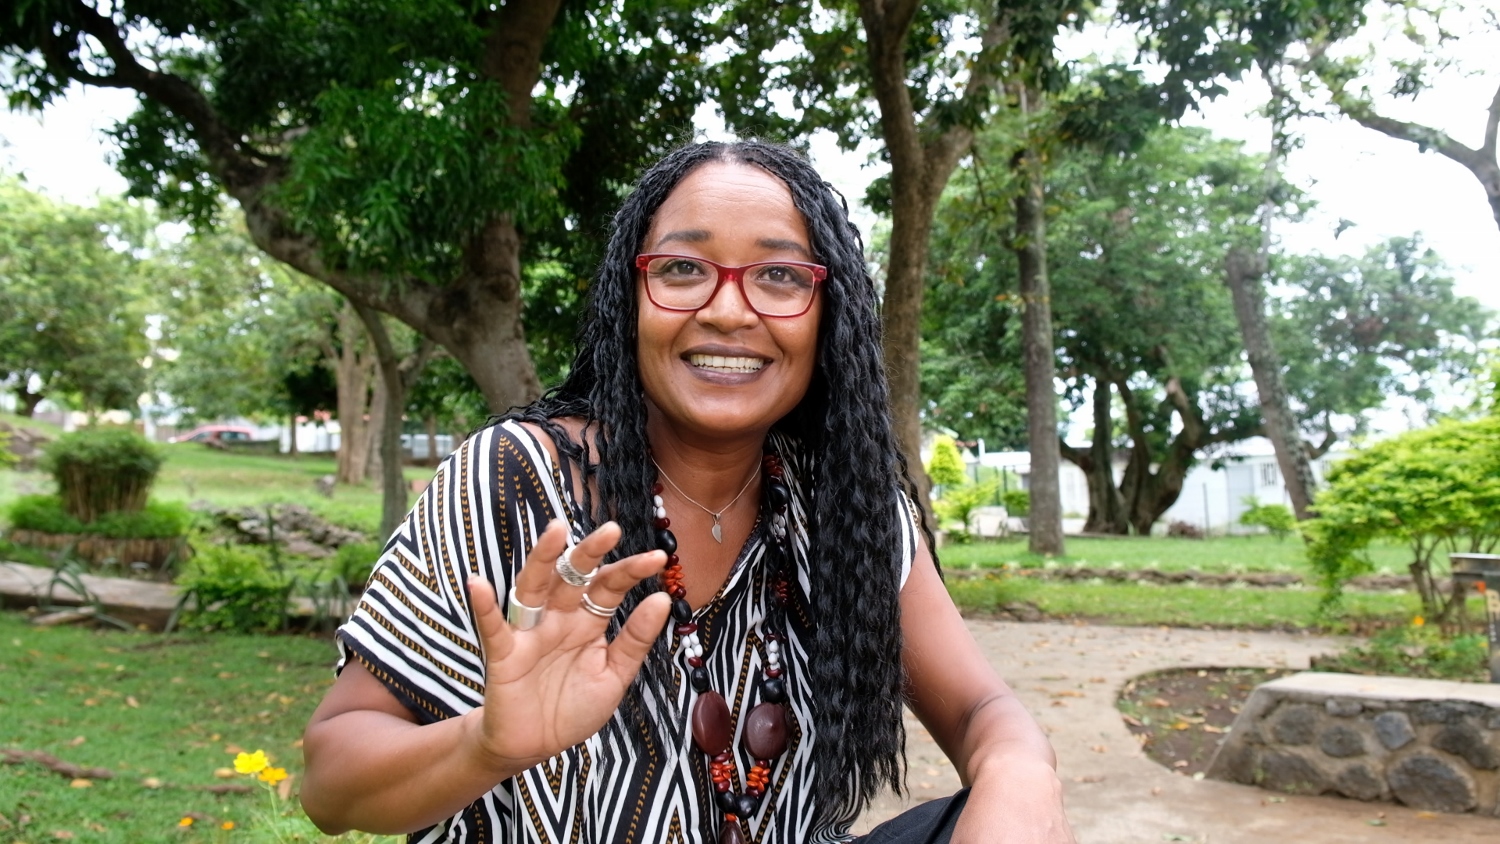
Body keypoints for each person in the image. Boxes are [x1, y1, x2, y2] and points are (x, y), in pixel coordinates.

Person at [300, 140, 1074, 844]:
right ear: (628, 303)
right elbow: (331, 788)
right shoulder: (514, 480)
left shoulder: (843, 503)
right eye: (682, 269)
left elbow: (984, 713)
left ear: (826, 314)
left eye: (779, 275)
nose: (728, 310)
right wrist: (486, 744)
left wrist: (1019, 775)